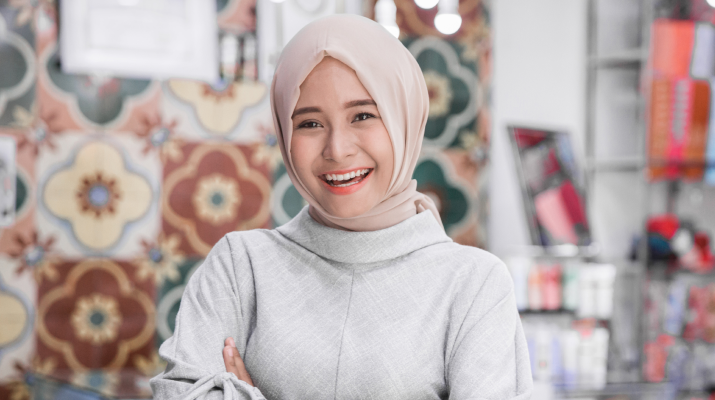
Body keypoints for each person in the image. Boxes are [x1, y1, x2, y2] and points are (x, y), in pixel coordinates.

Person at [150, 14, 532, 399]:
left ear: (405, 116)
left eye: (363, 115)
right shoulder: (239, 267)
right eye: (310, 123)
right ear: (284, 133)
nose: (337, 149)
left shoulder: (473, 285)